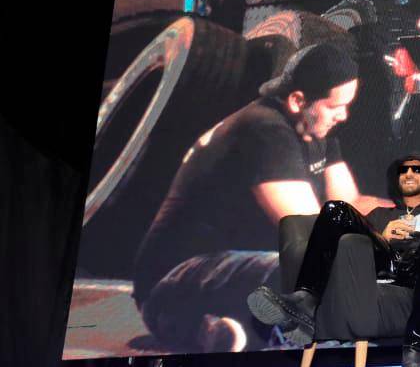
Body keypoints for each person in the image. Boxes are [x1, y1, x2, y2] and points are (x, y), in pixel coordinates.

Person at [131, 43, 384, 352]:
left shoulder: (317, 131)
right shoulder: (264, 128)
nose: (342, 116)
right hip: (172, 284)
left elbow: (351, 204)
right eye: (335, 106)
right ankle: (206, 328)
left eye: (347, 106)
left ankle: (226, 333)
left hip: (233, 277)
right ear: (297, 100)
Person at [247, 154, 420, 367]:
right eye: (403, 170)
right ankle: (305, 301)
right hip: (385, 265)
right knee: (335, 209)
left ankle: (414, 350)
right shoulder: (381, 214)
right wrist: (383, 235)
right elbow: (357, 244)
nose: (408, 173)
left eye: (417, 169)